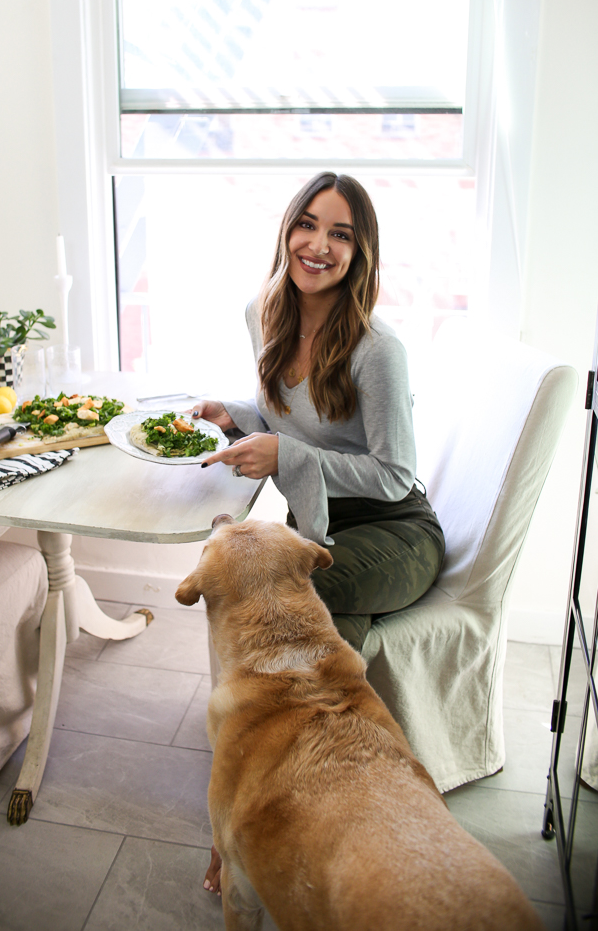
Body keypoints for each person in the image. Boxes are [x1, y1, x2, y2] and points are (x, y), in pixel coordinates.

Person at [193, 170, 445, 895]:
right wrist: (235, 415)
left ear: (360, 252)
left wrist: (288, 458)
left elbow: (396, 476)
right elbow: (289, 417)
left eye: (341, 233)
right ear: (287, 230)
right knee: (321, 628)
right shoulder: (262, 314)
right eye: (308, 224)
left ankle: (241, 810)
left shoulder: (376, 348)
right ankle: (330, 793)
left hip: (395, 532)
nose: (318, 245)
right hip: (320, 522)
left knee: (283, 601)